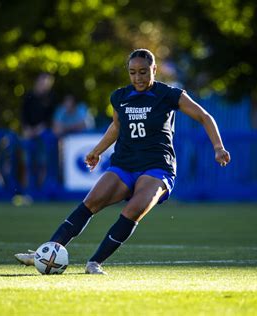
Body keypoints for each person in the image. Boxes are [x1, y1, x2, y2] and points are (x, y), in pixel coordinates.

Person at [15, 49, 231, 275]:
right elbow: (117, 127)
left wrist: (218, 147)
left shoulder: (169, 94)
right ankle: (46, 253)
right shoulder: (120, 97)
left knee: (133, 209)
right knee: (90, 203)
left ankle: (94, 263)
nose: (138, 78)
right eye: (133, 72)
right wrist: (97, 151)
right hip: (125, 163)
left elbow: (204, 117)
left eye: (143, 72)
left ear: (154, 70)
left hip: (157, 167)